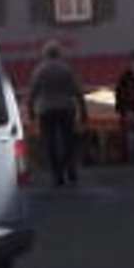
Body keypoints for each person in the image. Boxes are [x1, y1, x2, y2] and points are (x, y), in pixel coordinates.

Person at [27, 45, 85, 187]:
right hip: (66, 108)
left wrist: (31, 111)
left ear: (45, 54)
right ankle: (70, 169)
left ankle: (57, 174)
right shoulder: (66, 69)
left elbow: (33, 92)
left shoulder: (39, 70)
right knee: (68, 141)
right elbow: (77, 91)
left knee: (50, 142)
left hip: (46, 109)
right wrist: (83, 110)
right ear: (59, 54)